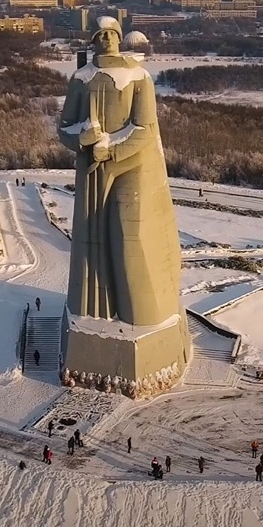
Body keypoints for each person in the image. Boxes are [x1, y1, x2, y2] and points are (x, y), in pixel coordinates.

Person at [58, 17, 184, 331]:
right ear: (93, 41)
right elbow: (64, 128)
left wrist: (111, 151)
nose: (107, 40)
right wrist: (82, 140)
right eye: (101, 36)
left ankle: (143, 314)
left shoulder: (138, 77)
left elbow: (143, 128)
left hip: (131, 165)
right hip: (92, 171)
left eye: (112, 35)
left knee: (130, 237)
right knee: (93, 238)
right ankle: (98, 312)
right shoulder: (82, 78)